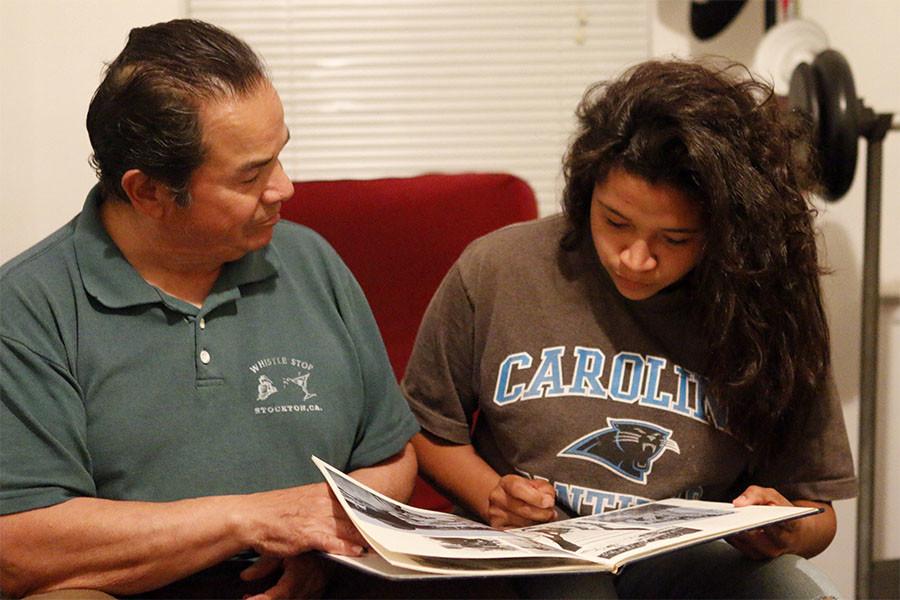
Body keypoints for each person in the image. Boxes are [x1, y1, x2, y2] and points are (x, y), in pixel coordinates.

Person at [401, 59, 857, 598]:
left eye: (676, 238)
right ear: (587, 188)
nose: (636, 259)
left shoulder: (772, 304)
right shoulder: (500, 267)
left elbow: (817, 513)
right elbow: (424, 430)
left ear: (726, 230)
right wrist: (491, 496)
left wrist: (784, 529)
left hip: (688, 558)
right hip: (535, 551)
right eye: (615, 222)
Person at [0, 19, 421, 599]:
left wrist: (325, 539)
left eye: (279, 156)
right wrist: (250, 520)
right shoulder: (28, 306)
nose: (285, 188)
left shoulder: (311, 261)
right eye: (251, 175)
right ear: (149, 193)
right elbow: (19, 546)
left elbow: (393, 457)